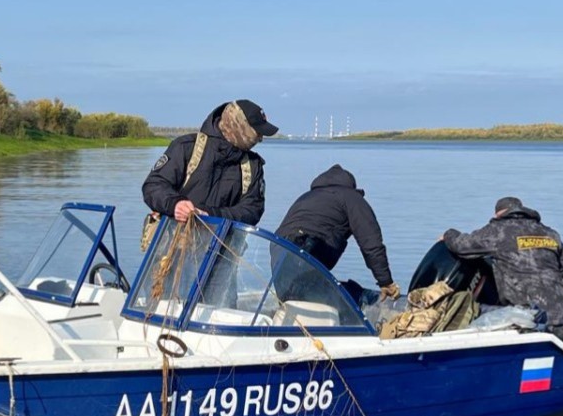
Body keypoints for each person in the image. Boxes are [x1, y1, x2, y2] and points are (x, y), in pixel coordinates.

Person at [441, 196, 563, 340]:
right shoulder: (549, 233)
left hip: (529, 319)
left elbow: (461, 245)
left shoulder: (498, 231)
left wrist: (448, 234)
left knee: (473, 309)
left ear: (498, 214)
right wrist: (554, 293)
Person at [272, 164, 400, 303]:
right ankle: (366, 303)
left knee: (292, 293)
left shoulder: (307, 196)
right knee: (306, 292)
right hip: (307, 243)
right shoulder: (351, 197)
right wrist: (385, 281)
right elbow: (371, 243)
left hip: (279, 247)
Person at [142, 99, 277, 226]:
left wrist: (210, 215)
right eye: (257, 133)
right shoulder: (186, 147)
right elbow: (153, 185)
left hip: (220, 247)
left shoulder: (253, 165)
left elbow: (252, 210)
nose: (260, 139)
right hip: (171, 240)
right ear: (239, 126)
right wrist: (175, 204)